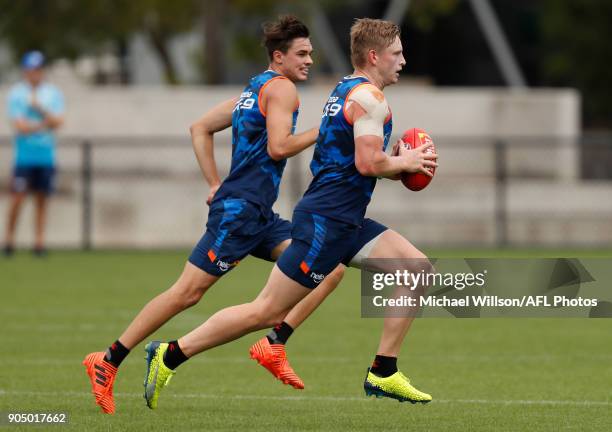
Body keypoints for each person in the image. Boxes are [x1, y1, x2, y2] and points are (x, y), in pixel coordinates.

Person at [144, 18, 438, 408]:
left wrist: (398, 161)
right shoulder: (371, 99)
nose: (402, 60)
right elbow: (368, 164)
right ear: (374, 56)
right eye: (397, 53)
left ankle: (383, 371)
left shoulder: (347, 90)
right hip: (326, 222)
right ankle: (170, 354)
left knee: (416, 268)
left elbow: (355, 161)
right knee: (266, 310)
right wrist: (408, 162)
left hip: (346, 219)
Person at [83, 15, 344, 415]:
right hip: (239, 213)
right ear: (279, 56)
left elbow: (199, 127)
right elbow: (279, 147)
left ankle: (276, 342)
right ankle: (110, 359)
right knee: (187, 293)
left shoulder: (254, 88)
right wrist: (325, 129)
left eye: (311, 52)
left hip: (259, 215)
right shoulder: (283, 90)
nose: (310, 60)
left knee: (330, 267)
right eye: (303, 53)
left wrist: (212, 182)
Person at [4, 51, 64, 257]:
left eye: (38, 69)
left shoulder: (52, 93)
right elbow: (20, 126)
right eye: (31, 70)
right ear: (25, 71)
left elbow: (58, 122)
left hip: (46, 155)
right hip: (24, 156)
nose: (34, 73)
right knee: (18, 198)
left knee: (41, 199)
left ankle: (39, 242)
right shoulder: (17, 93)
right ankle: (9, 239)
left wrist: (39, 110)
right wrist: (44, 124)